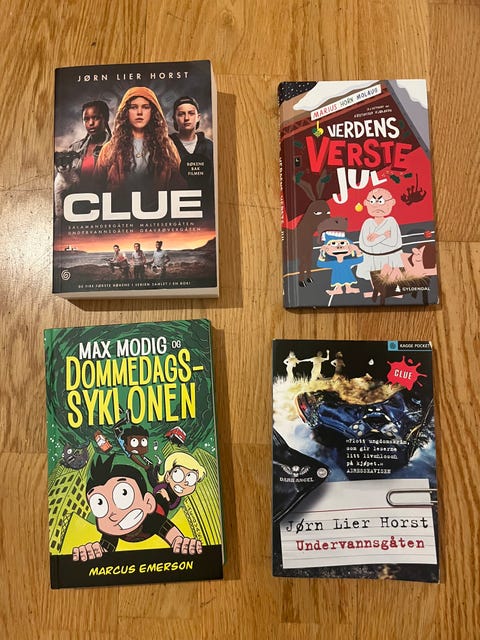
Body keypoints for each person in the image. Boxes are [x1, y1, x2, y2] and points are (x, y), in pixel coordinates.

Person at [72, 456, 202, 561]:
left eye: (124, 494)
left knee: (165, 497)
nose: (113, 514)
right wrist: (91, 552)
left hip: (159, 506)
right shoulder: (112, 529)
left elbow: (170, 532)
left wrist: (180, 542)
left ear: (147, 502)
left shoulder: (152, 520)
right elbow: (105, 548)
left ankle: (171, 484)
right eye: (99, 504)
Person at [95, 87, 184, 191]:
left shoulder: (167, 147)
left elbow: (180, 186)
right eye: (133, 107)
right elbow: (96, 187)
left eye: (145, 107)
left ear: (152, 111)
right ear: (126, 111)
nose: (139, 112)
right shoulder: (109, 149)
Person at [356, 188, 403, 283]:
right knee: (375, 280)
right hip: (372, 258)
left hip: (390, 258)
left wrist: (376, 236)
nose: (377, 205)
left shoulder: (391, 221)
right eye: (372, 201)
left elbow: (393, 242)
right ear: (366, 203)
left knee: (393, 281)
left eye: (381, 201)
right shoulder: (367, 223)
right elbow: (367, 243)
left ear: (392, 202)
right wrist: (384, 236)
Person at [169, 96, 213, 188]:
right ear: (174, 118)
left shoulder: (209, 147)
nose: (186, 118)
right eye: (181, 114)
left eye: (191, 113)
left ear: (198, 117)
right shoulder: (166, 146)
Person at [69, 100, 111, 182]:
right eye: (86, 119)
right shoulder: (75, 148)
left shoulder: (116, 147)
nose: (91, 123)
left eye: (96, 118)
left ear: (106, 119)